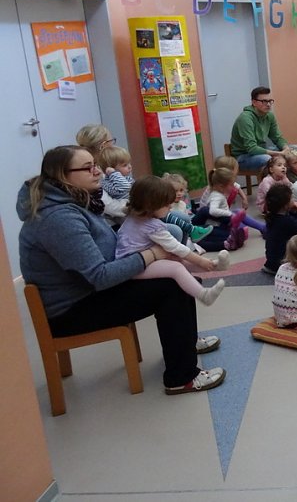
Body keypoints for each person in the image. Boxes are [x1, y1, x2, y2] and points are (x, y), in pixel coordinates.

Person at [17, 146, 225, 395]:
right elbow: (100, 276)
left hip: (90, 291)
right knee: (171, 287)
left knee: (176, 274)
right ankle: (182, 377)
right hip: (73, 310)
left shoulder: (75, 201)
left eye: (95, 164)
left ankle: (186, 343)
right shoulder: (59, 218)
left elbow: (104, 249)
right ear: (61, 175)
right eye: (88, 167)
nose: (98, 171)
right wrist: (152, 254)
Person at [116, 176, 229, 306]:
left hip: (134, 261)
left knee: (176, 259)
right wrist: (200, 260)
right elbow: (177, 247)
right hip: (135, 268)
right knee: (175, 267)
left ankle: (214, 266)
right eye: (166, 204)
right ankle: (203, 294)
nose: (170, 207)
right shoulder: (152, 227)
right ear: (150, 205)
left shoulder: (134, 217)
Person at [229, 86, 289, 171]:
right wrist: (278, 154)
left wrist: (285, 148)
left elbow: (277, 137)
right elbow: (252, 148)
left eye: (270, 101)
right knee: (268, 159)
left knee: (295, 150)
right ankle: (270, 184)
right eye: (264, 101)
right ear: (254, 102)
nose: (268, 104)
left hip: (261, 151)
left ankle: (290, 183)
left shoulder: (270, 116)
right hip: (243, 157)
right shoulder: (245, 118)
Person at [262, 184, 297, 275]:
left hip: (271, 262)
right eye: (291, 199)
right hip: (280, 264)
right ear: (285, 205)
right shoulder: (285, 221)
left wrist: (294, 212)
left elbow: (294, 223)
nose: (293, 200)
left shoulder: (273, 217)